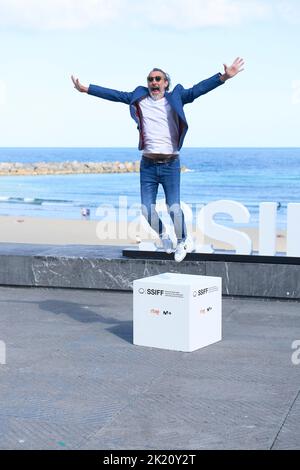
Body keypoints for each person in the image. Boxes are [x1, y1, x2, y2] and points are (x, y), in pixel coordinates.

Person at [71, 57, 244, 262]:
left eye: (158, 79)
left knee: (174, 207)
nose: (154, 82)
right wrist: (86, 89)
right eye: (150, 79)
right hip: (148, 165)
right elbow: (114, 95)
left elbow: (199, 89)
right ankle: (163, 236)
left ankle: (182, 241)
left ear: (165, 83)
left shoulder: (177, 97)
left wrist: (223, 77)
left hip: (171, 164)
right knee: (146, 209)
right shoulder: (139, 98)